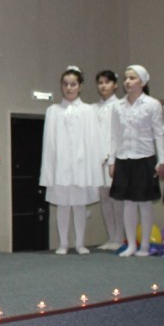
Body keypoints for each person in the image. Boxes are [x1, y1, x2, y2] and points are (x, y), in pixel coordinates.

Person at [39, 66, 104, 255]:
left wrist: (94, 162)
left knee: (79, 204)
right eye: (66, 84)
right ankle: (63, 243)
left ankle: (80, 243)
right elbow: (49, 141)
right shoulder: (53, 110)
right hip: (60, 164)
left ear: (80, 86)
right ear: (61, 86)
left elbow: (94, 138)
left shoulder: (88, 110)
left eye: (73, 84)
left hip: (80, 164)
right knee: (62, 204)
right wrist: (51, 165)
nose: (69, 88)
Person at [109, 65, 164, 257]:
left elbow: (158, 133)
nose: (127, 82)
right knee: (128, 202)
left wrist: (162, 160)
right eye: (126, 78)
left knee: (144, 203)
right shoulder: (117, 106)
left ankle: (145, 245)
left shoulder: (152, 104)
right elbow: (115, 135)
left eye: (132, 78)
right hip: (124, 157)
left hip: (145, 157)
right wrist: (112, 161)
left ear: (142, 82)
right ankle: (131, 244)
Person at [93, 70, 125, 251]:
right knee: (104, 197)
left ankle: (119, 238)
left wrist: (113, 156)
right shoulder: (94, 108)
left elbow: (118, 135)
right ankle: (111, 237)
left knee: (116, 198)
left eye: (107, 82)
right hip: (98, 160)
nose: (103, 86)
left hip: (113, 158)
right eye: (100, 82)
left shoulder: (119, 106)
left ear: (115, 85)